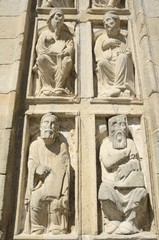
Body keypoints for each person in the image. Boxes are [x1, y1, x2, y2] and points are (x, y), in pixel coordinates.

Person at [98, 115, 147, 234]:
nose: (119, 128)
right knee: (104, 192)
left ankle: (131, 221)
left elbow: (135, 162)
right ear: (110, 129)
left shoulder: (130, 143)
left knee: (141, 193)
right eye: (115, 125)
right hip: (111, 185)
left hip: (130, 185)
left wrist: (127, 167)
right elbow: (108, 162)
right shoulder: (106, 144)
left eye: (122, 124)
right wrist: (124, 154)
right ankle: (115, 219)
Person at [24, 113, 70, 235]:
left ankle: (56, 226)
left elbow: (64, 164)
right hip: (40, 182)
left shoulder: (61, 145)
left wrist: (55, 178)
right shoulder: (35, 145)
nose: (49, 126)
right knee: (35, 199)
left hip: (57, 183)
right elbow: (31, 162)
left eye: (53, 123)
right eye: (46, 122)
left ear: (57, 129)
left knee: (57, 201)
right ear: (40, 126)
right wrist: (37, 168)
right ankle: (38, 226)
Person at [34, 8, 74, 96]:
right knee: (41, 59)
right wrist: (49, 49)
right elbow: (39, 48)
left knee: (67, 61)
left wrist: (65, 51)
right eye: (58, 16)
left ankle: (60, 86)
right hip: (47, 59)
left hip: (60, 59)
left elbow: (70, 46)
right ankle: (47, 86)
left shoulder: (66, 35)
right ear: (51, 18)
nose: (60, 19)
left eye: (62, 18)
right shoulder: (44, 34)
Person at [94, 11, 135, 97]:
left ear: (117, 23)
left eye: (109, 21)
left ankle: (119, 87)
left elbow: (126, 50)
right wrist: (107, 43)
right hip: (109, 64)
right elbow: (97, 51)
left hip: (120, 65)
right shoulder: (102, 37)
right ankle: (105, 90)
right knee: (101, 63)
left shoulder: (123, 38)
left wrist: (127, 52)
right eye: (105, 23)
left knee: (123, 57)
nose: (107, 24)